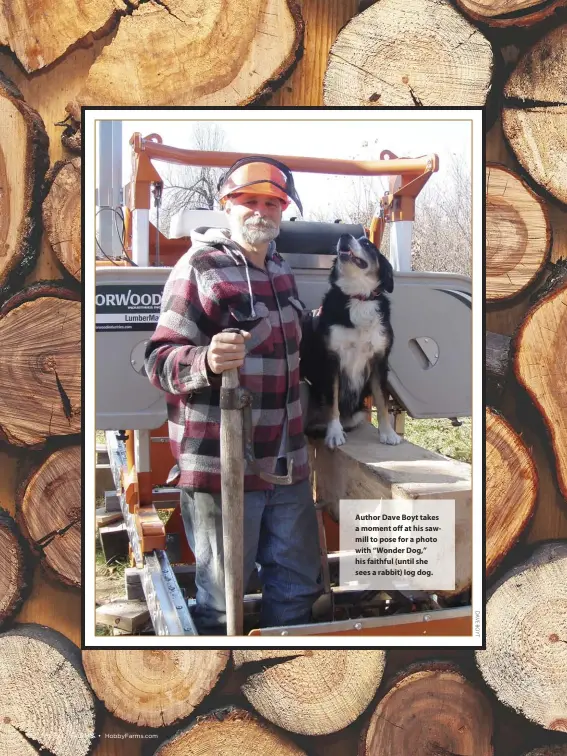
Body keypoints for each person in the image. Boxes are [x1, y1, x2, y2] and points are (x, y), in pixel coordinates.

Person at [144, 156, 322, 634]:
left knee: (298, 585)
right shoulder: (199, 267)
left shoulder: (281, 269)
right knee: (224, 602)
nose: (260, 211)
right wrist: (204, 360)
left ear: (283, 211)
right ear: (225, 205)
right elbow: (157, 360)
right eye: (249, 201)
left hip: (286, 463)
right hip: (223, 468)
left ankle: (285, 674)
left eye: (271, 202)